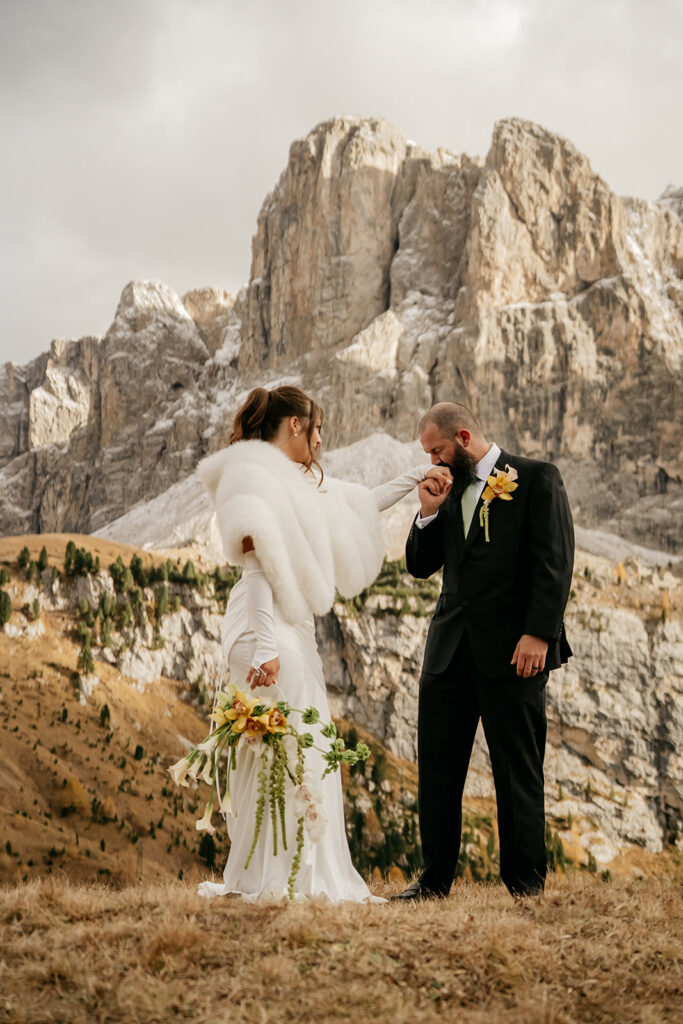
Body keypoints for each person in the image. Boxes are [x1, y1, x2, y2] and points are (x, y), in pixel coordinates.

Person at [194, 385, 450, 902]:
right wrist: (267, 644)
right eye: (316, 430)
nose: (319, 440)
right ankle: (296, 879)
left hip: (278, 626)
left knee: (282, 746)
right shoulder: (257, 478)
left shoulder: (285, 481)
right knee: (300, 741)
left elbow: (353, 509)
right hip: (266, 626)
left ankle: (271, 874)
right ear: (295, 426)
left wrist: (413, 480)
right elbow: (258, 561)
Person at [392, 402, 574, 902]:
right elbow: (420, 567)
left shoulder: (537, 479)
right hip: (449, 653)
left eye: (437, 449)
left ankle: (525, 885)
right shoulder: (447, 489)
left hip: (515, 653)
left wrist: (539, 634)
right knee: (438, 767)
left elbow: (554, 562)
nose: (432, 460)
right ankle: (433, 881)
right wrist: (427, 515)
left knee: (517, 769)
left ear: (464, 437)